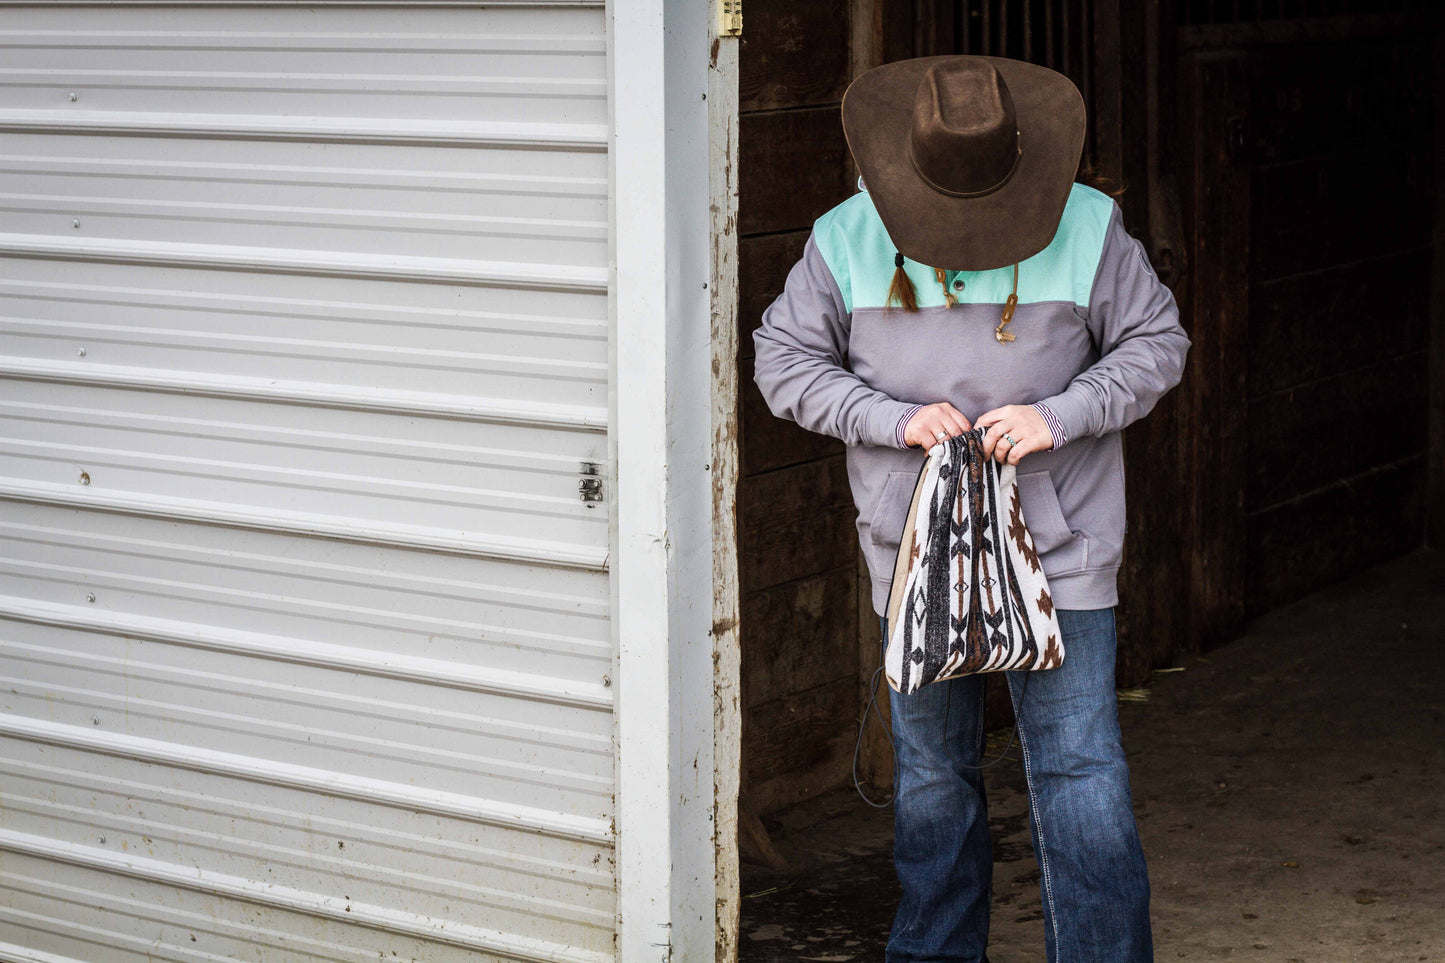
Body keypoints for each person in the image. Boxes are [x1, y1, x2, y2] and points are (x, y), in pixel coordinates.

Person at [750, 55, 1191, 963]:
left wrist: (1059, 414)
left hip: (1060, 549)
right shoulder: (842, 238)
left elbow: (1156, 342)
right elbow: (781, 364)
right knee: (932, 777)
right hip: (914, 553)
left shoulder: (1088, 224)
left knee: (1079, 769)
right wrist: (893, 418)